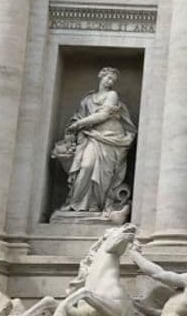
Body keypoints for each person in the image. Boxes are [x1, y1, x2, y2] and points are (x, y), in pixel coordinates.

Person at [57, 68, 136, 213]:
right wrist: (74, 125)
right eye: (108, 78)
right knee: (86, 166)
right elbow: (78, 116)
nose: (110, 81)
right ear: (101, 77)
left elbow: (103, 115)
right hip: (91, 136)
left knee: (104, 173)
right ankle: (76, 203)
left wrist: (79, 125)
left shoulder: (112, 95)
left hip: (111, 137)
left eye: (113, 80)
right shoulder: (88, 99)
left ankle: (95, 205)